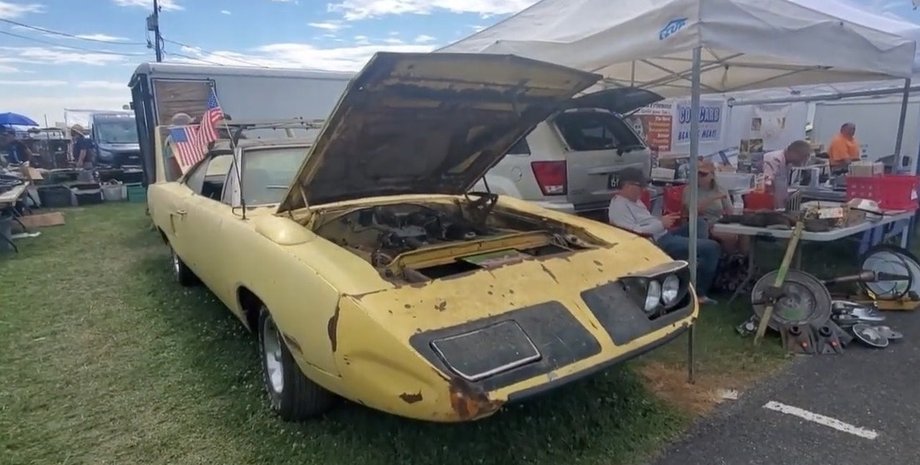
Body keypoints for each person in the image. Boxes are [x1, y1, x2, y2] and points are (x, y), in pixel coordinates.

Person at [608, 167, 721, 304]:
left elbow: (646, 222)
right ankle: (699, 293)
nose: (643, 189)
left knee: (699, 224)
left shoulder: (634, 201)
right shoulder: (619, 206)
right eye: (640, 186)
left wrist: (663, 220)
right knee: (712, 248)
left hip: (663, 234)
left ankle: (695, 264)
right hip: (656, 243)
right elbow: (633, 232)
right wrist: (661, 224)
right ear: (627, 185)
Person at [682, 159, 748, 254]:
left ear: (712, 175)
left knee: (745, 234)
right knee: (730, 236)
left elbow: (730, 211)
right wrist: (713, 198)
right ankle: (729, 258)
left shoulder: (720, 189)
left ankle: (743, 258)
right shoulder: (689, 190)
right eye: (698, 174)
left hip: (719, 222)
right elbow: (692, 210)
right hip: (701, 225)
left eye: (703, 174)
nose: (699, 177)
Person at [762, 140, 811, 210]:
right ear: (793, 153)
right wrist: (775, 206)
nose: (801, 161)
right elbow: (768, 184)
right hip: (768, 204)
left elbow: (782, 183)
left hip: (780, 205)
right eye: (802, 158)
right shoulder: (774, 159)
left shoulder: (788, 162)